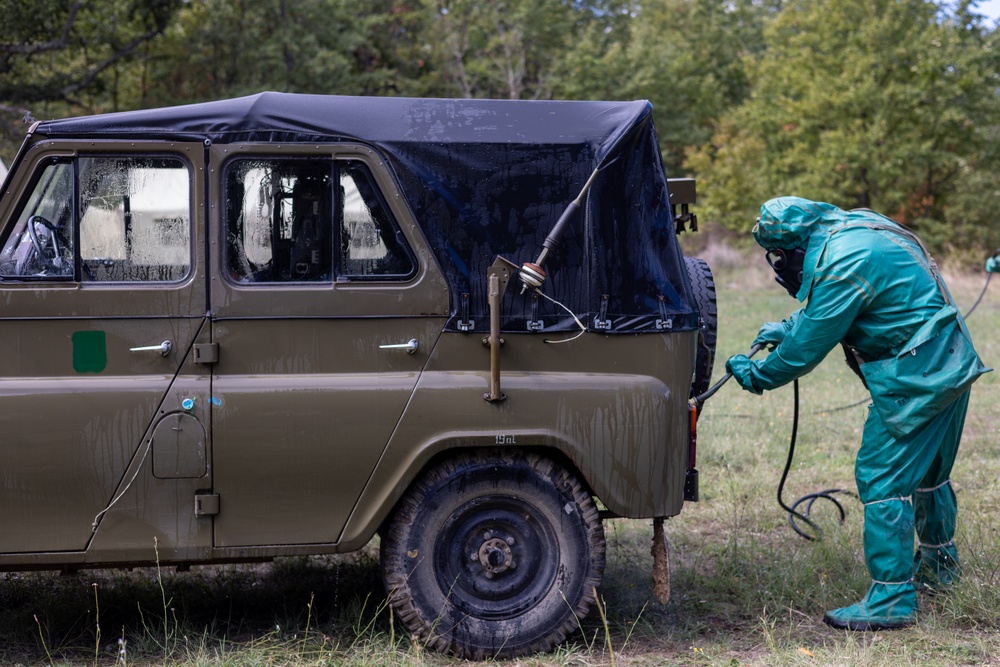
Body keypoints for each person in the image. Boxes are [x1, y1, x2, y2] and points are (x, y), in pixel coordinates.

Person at [726, 196, 990, 631]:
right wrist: (790, 325)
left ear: (792, 246)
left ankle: (891, 599)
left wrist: (758, 374)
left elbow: (803, 352)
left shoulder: (841, 261)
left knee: (881, 477)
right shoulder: (857, 228)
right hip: (951, 359)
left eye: (777, 255)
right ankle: (940, 568)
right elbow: (847, 306)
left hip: (918, 377)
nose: (777, 266)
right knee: (929, 473)